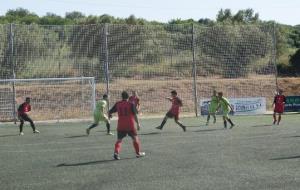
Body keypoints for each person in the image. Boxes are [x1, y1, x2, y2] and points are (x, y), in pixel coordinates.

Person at [109, 91, 145, 160]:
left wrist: (109, 115)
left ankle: (116, 153)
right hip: (130, 125)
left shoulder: (118, 104)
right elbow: (135, 115)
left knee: (119, 140)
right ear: (128, 97)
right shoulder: (131, 104)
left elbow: (109, 112)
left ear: (121, 97)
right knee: (135, 138)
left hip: (121, 125)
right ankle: (138, 153)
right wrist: (138, 124)